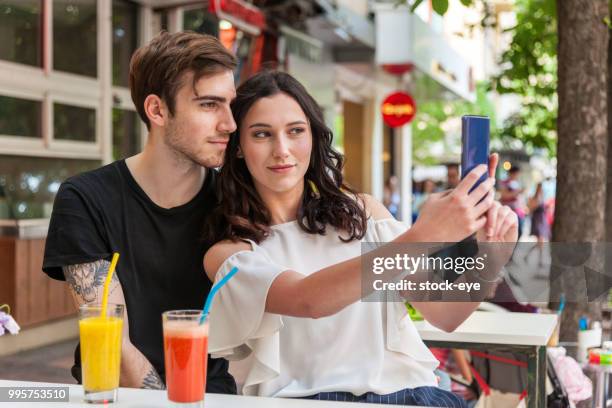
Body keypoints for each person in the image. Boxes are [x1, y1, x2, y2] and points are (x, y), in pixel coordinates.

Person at [202, 71, 518, 406]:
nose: (282, 150)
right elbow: (307, 300)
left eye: (296, 131)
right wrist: (422, 235)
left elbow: (444, 315)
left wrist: (493, 251)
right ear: (238, 148)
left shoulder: (363, 214)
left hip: (414, 396)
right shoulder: (231, 252)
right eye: (262, 134)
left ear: (313, 137)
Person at [42, 31, 238, 392]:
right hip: (113, 395)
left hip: (212, 395)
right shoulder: (85, 198)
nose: (229, 123)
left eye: (230, 104)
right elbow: (111, 341)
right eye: (209, 105)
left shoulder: (236, 199)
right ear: (157, 109)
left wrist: (376, 225)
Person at [525, 183, 550, 266]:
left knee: (540, 242)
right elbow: (530, 209)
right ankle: (539, 261)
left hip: (542, 221)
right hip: (537, 221)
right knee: (540, 241)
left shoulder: (542, 198)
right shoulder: (534, 198)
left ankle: (531, 257)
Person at [500, 165, 526, 239]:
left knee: (519, 231)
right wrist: (517, 192)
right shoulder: (505, 183)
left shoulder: (517, 183)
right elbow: (504, 195)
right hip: (509, 210)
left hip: (519, 211)